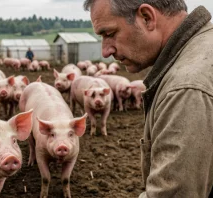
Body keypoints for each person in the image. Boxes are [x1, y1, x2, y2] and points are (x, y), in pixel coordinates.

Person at [84, 0, 213, 197]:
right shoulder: (204, 48)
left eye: (109, 34)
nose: (105, 51)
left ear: (147, 17)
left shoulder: (184, 90)